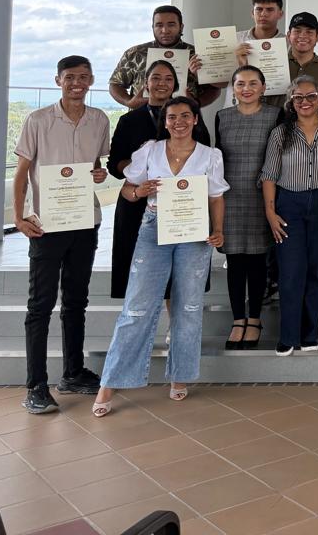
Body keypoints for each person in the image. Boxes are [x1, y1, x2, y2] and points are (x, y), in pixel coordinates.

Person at [92, 95, 228, 416]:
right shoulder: (150, 151)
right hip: (154, 228)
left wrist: (219, 230)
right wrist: (140, 191)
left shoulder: (210, 155)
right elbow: (127, 190)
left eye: (185, 116)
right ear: (164, 122)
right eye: (172, 117)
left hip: (194, 233)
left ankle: (180, 374)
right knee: (136, 306)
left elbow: (216, 197)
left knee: (188, 306)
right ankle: (111, 381)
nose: (178, 122)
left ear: (196, 119)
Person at [12, 56, 111, 415]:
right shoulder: (38, 120)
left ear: (92, 80)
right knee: (40, 305)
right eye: (70, 77)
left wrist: (99, 174)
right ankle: (36, 386)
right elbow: (22, 171)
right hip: (47, 225)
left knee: (76, 301)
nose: (77, 83)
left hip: (85, 221)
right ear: (58, 80)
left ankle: (73, 372)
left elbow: (95, 166)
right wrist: (19, 217)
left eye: (84, 77)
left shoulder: (99, 120)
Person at [107, 60, 212, 301]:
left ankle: (175, 323)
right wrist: (140, 169)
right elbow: (114, 164)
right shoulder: (129, 120)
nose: (161, 83)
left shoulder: (189, 117)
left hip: (181, 203)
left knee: (180, 281)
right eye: (155, 78)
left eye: (168, 79)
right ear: (145, 83)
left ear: (175, 84)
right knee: (140, 279)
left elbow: (204, 154)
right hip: (138, 203)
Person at [261, 76, 318, 355]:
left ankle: (309, 335)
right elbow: (269, 175)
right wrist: (270, 212)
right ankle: (288, 336)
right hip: (289, 205)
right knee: (291, 273)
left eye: (311, 96)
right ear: (291, 102)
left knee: (317, 272)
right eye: (298, 97)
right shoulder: (281, 133)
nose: (305, 102)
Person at [214, 65, 282, 350]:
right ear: (233, 88)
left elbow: (279, 157)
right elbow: (216, 159)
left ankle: (254, 319)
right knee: (234, 261)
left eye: (253, 83)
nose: (247, 89)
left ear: (264, 88)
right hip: (229, 197)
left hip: (261, 195)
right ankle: (237, 320)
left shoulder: (276, 115)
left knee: (256, 261)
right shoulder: (222, 117)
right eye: (240, 84)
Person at [109, 5, 214, 108]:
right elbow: (115, 84)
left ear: (181, 27)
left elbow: (214, 88)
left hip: (184, 116)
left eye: (171, 25)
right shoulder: (135, 53)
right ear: (153, 27)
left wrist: (197, 104)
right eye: (159, 25)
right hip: (141, 116)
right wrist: (128, 102)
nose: (165, 30)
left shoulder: (197, 54)